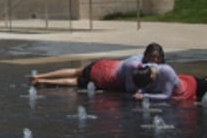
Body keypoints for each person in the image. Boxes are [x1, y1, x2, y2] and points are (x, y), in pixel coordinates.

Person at [30, 43, 173, 94]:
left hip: (105, 65)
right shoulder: (135, 66)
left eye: (158, 58)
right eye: (153, 57)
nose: (156, 60)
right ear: (146, 55)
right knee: (76, 79)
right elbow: (130, 88)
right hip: (105, 76)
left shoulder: (137, 58)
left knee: (77, 75)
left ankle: (41, 78)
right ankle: (41, 78)